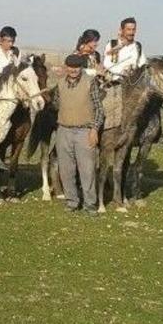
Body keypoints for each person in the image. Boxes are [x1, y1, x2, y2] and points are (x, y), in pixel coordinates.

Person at [51, 54, 104, 215]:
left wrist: (94, 129)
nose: (73, 70)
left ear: (81, 68)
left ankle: (89, 204)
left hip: (84, 131)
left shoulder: (90, 83)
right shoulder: (59, 84)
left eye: (76, 67)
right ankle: (72, 202)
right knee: (66, 170)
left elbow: (99, 109)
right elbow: (55, 105)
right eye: (70, 67)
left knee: (87, 169)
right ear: (66, 67)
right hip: (63, 130)